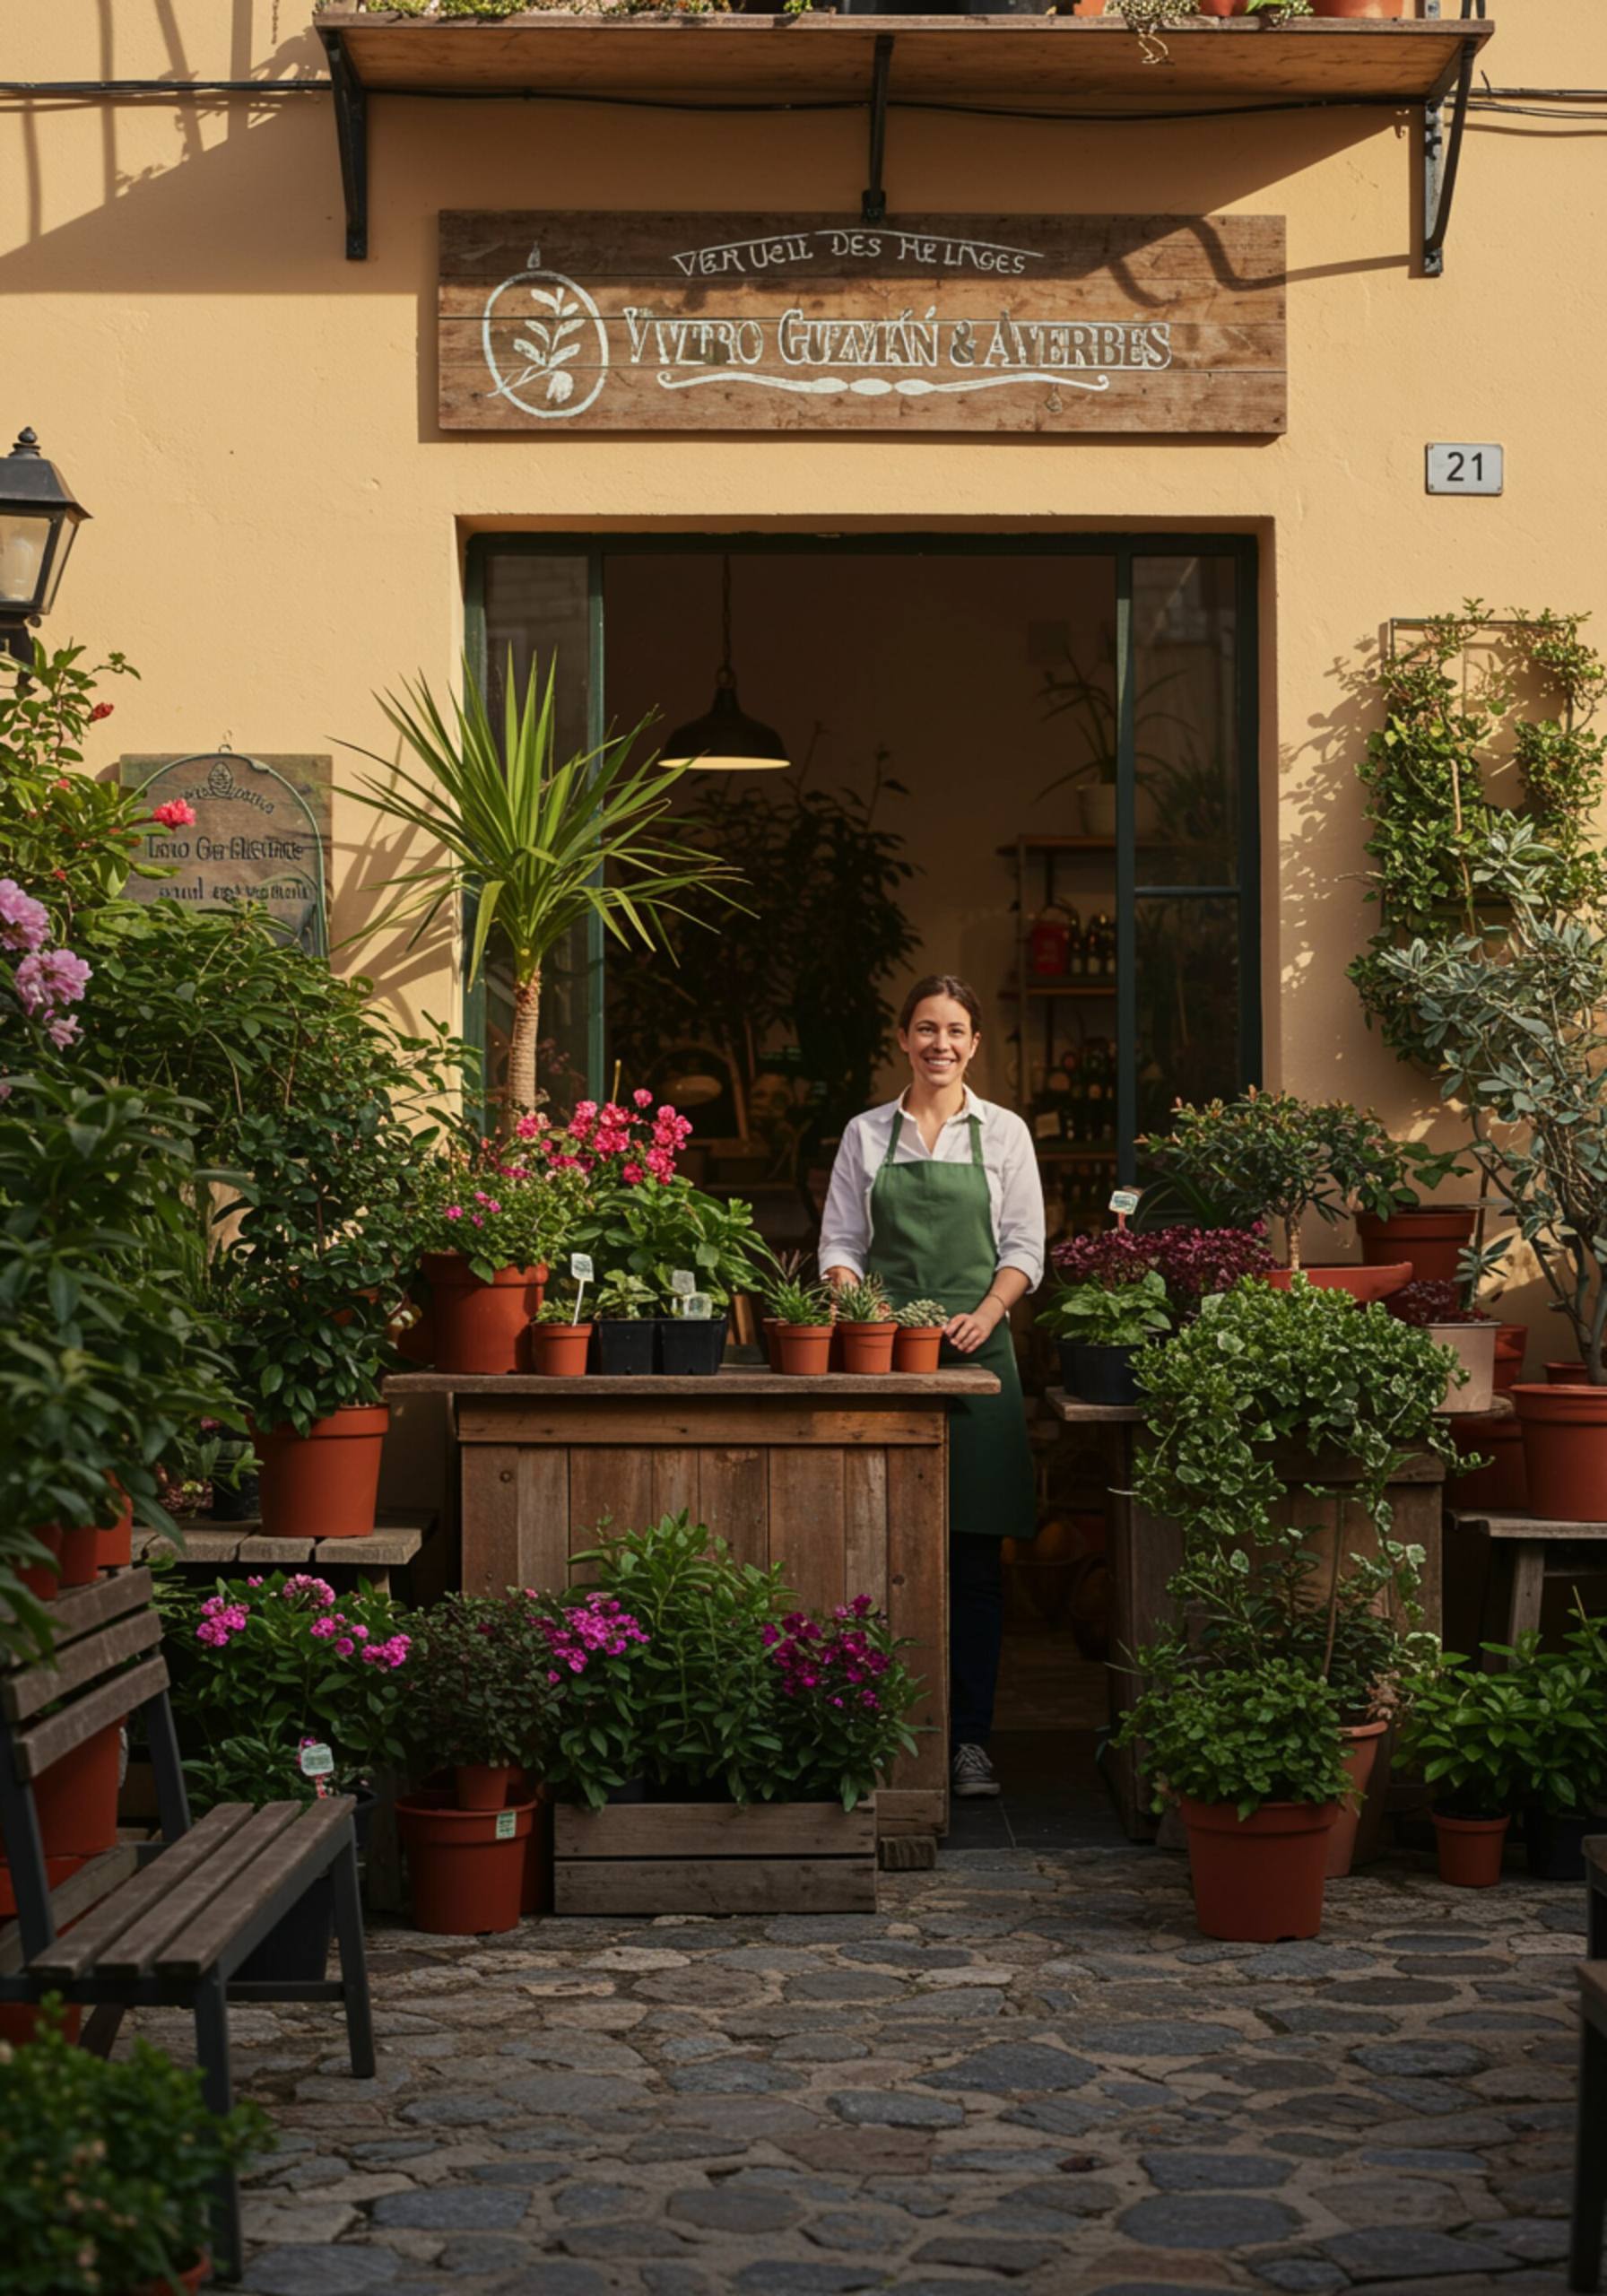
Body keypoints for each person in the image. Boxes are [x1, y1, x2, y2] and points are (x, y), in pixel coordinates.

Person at [819, 973, 1043, 1800]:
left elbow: (1025, 1248)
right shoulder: (866, 1133)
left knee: (973, 1562)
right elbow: (840, 1244)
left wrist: (986, 1312)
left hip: (978, 1361)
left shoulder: (1005, 1132)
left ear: (974, 1044)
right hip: (885, 1360)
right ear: (902, 1039)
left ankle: (969, 1743)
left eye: (953, 1031)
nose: (938, 1044)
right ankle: (882, 1734)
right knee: (877, 1552)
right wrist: (861, 1307)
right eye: (924, 1029)